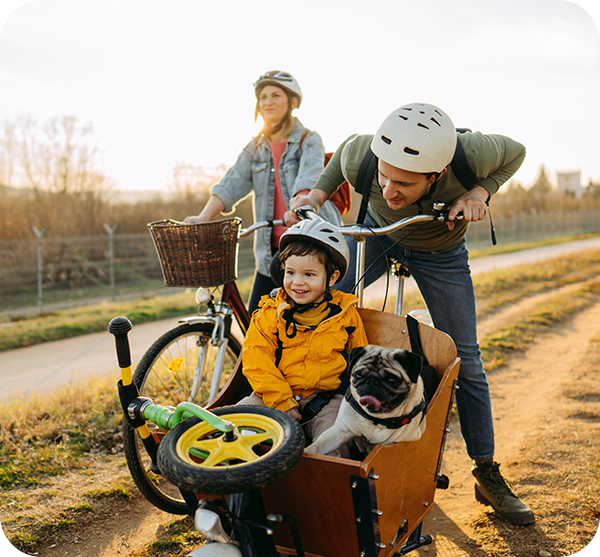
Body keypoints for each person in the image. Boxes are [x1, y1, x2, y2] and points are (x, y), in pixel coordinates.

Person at [287, 102, 535, 525]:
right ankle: (308, 418)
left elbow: (518, 151)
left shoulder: (472, 153)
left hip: (441, 251)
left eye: (403, 183)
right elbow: (345, 152)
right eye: (383, 175)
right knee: (323, 315)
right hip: (379, 237)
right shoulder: (362, 153)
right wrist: (316, 193)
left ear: (437, 175)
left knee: (467, 360)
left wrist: (480, 192)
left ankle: (487, 472)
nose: (387, 188)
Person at [183, 70, 341, 314]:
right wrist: (204, 218)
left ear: (293, 102)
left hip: (309, 248)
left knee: (310, 326)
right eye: (263, 97)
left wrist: (299, 206)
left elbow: (308, 181)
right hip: (270, 254)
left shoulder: (309, 140)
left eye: (276, 95)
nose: (267, 102)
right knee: (256, 325)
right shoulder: (255, 147)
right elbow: (231, 183)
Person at [238, 219, 368, 457]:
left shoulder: (346, 316)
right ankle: (235, 489)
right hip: (272, 395)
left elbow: (360, 360)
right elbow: (257, 361)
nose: (297, 282)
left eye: (309, 274)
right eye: (290, 272)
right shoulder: (269, 314)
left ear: (331, 278)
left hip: (327, 400)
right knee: (236, 423)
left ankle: (328, 491)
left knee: (334, 441)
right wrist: (281, 401)